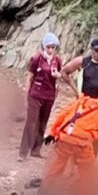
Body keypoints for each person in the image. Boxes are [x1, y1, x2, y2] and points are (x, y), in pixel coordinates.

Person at [19, 33, 62, 161]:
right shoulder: (36, 58)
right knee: (31, 122)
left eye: (53, 47)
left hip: (49, 95)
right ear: (44, 46)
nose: (50, 50)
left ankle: (36, 149)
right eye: (48, 47)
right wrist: (26, 96)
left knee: (43, 122)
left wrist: (57, 77)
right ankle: (23, 152)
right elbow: (29, 78)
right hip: (36, 94)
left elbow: (59, 77)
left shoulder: (57, 60)